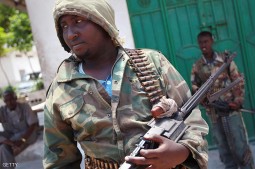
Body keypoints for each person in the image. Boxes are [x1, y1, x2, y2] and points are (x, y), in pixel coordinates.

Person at [43, 0, 209, 168]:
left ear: (102, 22)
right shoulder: (60, 88)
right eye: (64, 26)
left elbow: (190, 117)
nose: (71, 34)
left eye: (78, 21)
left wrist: (182, 152)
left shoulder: (151, 62)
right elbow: (57, 160)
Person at [191, 31, 255, 169]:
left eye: (206, 42)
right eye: (201, 42)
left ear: (212, 41)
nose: (203, 45)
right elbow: (195, 87)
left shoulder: (225, 59)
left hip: (231, 109)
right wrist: (203, 99)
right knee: (223, 147)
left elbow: (237, 80)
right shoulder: (197, 66)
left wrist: (237, 101)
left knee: (240, 144)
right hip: (214, 113)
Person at [0, 88, 39, 168]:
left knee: (4, 148)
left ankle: (8, 166)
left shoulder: (24, 107)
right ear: (4, 101)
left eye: (11, 99)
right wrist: (7, 141)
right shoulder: (2, 110)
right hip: (11, 136)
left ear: (16, 98)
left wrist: (22, 140)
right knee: (4, 145)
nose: (9, 102)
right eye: (7, 100)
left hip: (26, 134)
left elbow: (33, 125)